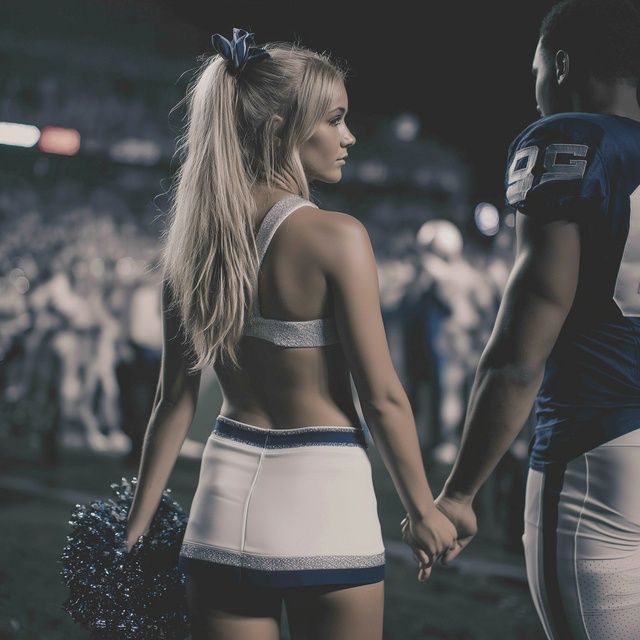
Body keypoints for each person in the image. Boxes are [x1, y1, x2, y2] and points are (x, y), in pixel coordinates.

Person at [123, 29, 456, 640]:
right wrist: (421, 509)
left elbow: (173, 400)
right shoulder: (337, 237)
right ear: (281, 128)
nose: (349, 137)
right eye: (334, 119)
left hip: (220, 505)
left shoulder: (187, 249)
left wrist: (136, 527)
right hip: (324, 498)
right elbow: (382, 397)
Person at [405, 1, 640, 638]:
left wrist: (459, 493)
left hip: (599, 443)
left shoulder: (572, 140)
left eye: (535, 70)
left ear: (561, 65)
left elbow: (518, 353)